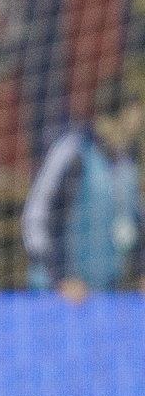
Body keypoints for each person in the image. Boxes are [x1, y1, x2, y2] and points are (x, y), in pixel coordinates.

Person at [23, 74, 145, 301]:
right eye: (130, 124)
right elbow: (38, 218)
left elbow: (136, 222)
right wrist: (62, 276)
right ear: (109, 119)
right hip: (58, 296)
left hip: (102, 295)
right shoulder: (74, 154)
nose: (135, 131)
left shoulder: (126, 164)